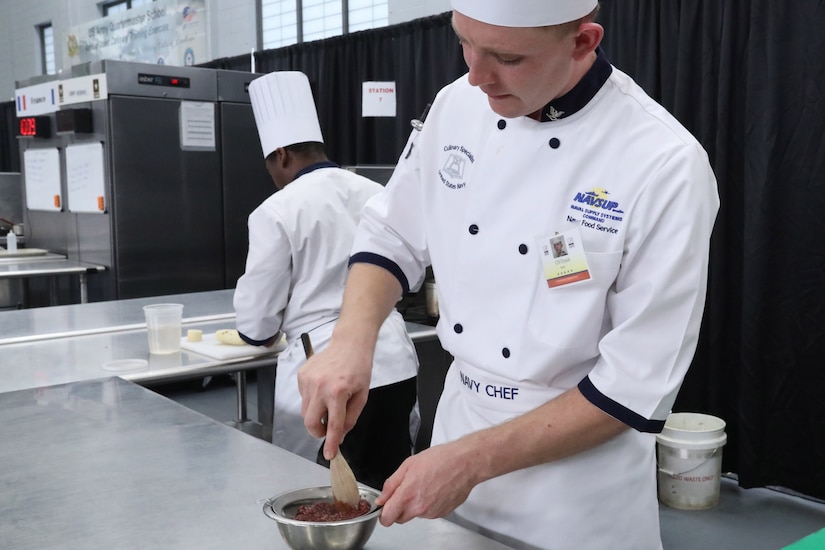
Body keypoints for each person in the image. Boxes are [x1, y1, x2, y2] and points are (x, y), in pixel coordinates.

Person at [297, 1, 720, 548]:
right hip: (455, 435)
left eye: (506, 57)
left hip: (575, 493)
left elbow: (633, 386)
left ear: (583, 42)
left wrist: (472, 461)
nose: (475, 74)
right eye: (464, 42)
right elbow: (391, 236)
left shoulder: (663, 163)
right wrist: (351, 345)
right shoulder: (456, 105)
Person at [233, 71, 419, 490]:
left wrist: (259, 334)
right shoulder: (375, 190)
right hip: (391, 359)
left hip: (324, 372)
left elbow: (256, 326)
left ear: (280, 154)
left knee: (317, 495)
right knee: (390, 491)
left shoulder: (275, 211)